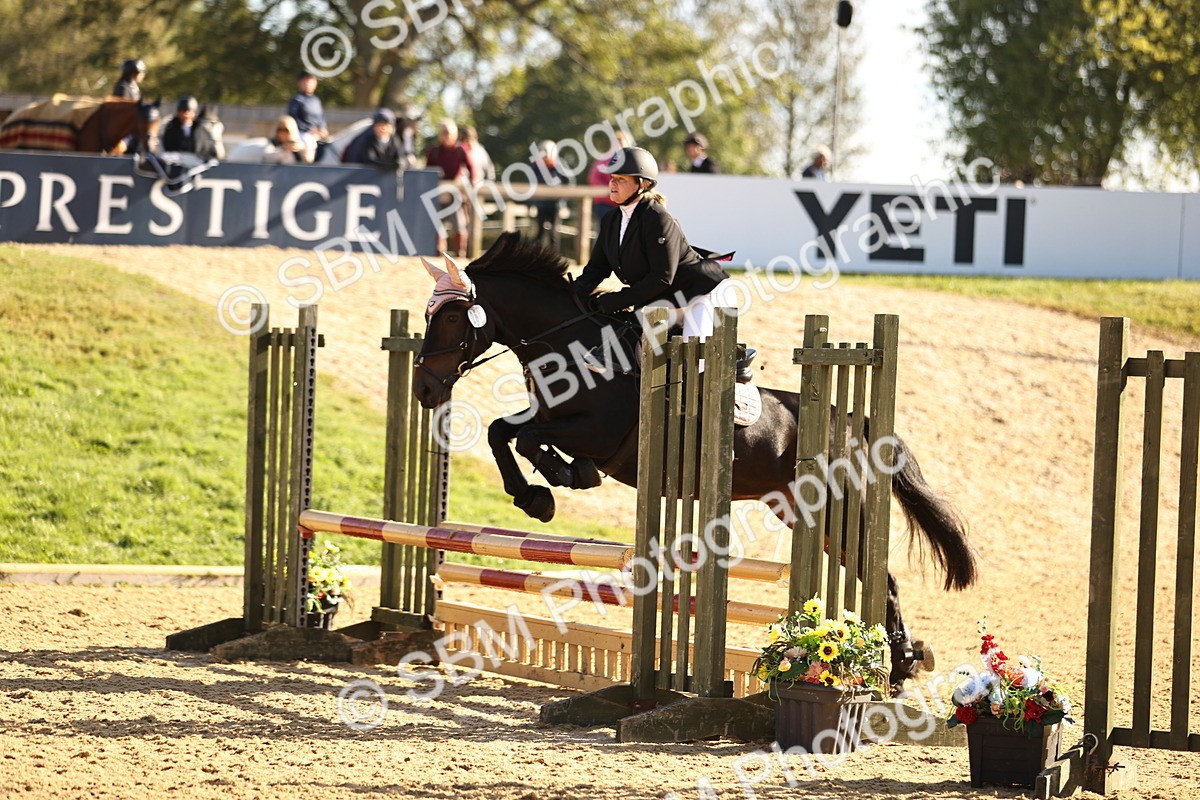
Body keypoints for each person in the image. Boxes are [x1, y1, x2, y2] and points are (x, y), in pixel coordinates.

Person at [574, 146, 734, 351]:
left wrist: (619, 300)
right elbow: (597, 268)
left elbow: (661, 277)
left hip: (698, 295)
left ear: (643, 184)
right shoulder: (611, 220)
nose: (612, 183)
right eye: (612, 177)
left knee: (694, 365)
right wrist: (571, 294)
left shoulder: (657, 219)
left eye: (621, 179)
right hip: (660, 298)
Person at [425, 119, 476, 256]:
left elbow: (472, 169)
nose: (446, 136)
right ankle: (438, 252)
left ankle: (460, 253)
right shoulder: (434, 151)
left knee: (458, 224)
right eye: (443, 133)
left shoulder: (460, 150)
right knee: (435, 223)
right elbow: (427, 171)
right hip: (438, 191)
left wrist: (468, 189)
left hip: (455, 191)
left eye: (448, 133)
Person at [530, 140, 570, 249]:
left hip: (556, 205)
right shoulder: (536, 167)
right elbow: (531, 186)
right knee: (540, 232)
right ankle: (536, 259)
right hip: (541, 204)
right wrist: (532, 205)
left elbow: (569, 183)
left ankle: (553, 259)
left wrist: (563, 202)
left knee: (554, 233)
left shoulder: (559, 165)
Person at [588, 130, 630, 224]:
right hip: (605, 203)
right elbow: (594, 179)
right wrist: (611, 190)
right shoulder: (604, 161)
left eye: (621, 143)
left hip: (624, 204)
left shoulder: (629, 162)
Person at [160, 96, 222, 160]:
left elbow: (206, 148)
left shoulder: (200, 129)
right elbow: (168, 147)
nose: (186, 114)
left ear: (194, 112)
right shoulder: (171, 129)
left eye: (189, 111)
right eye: (183, 111)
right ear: (179, 112)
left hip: (198, 164)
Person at [287, 70, 329, 159]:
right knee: (309, 144)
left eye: (311, 81)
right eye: (305, 81)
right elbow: (293, 119)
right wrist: (308, 129)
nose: (308, 83)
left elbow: (321, 118)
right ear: (299, 83)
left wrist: (322, 128)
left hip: (317, 133)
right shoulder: (296, 100)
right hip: (302, 133)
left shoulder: (316, 100)